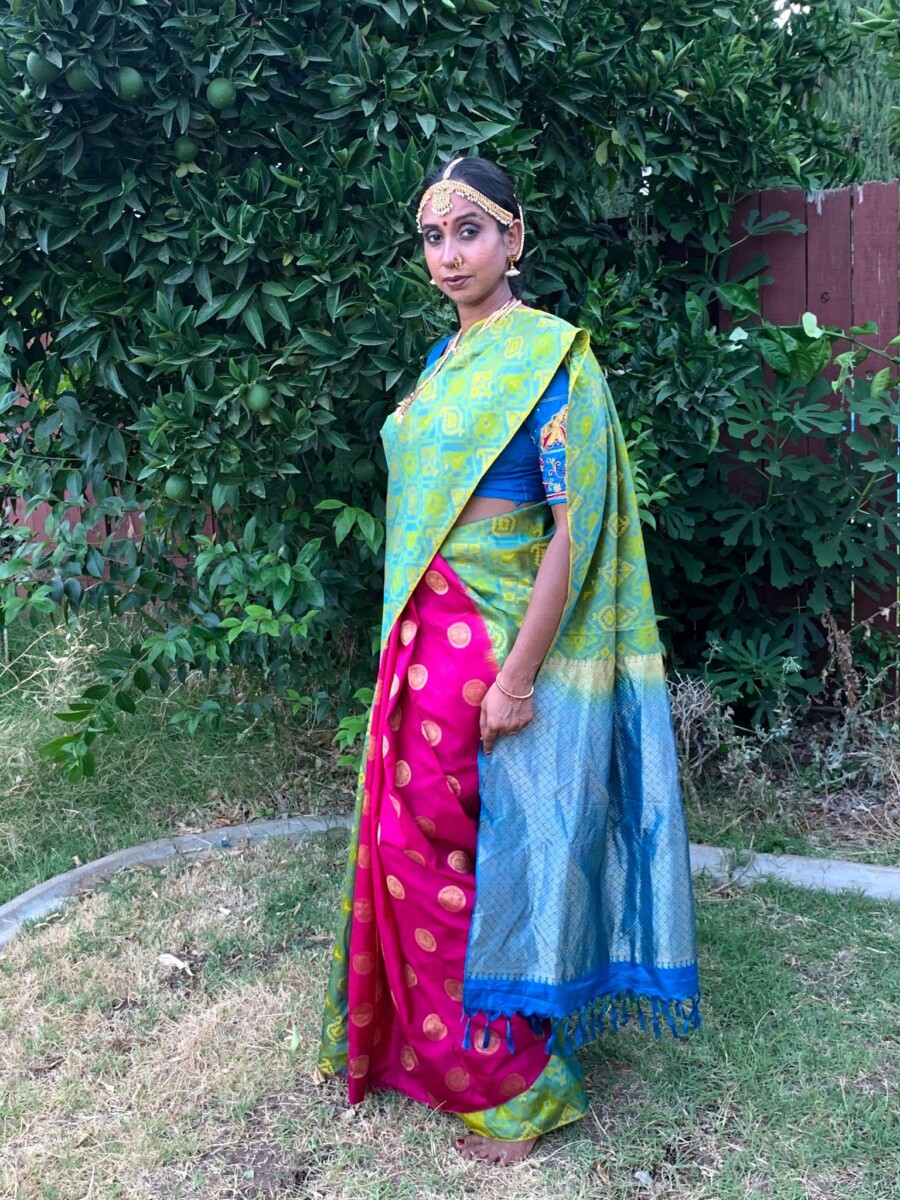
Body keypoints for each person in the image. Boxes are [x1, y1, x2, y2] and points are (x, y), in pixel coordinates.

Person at [317, 155, 700, 1166]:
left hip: (482, 645)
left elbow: (575, 530)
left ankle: (517, 1089)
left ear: (515, 240)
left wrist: (520, 676)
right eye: (434, 237)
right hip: (420, 638)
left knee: (454, 862)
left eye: (471, 231)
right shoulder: (447, 363)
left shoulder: (552, 362)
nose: (450, 255)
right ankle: (444, 1052)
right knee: (421, 857)